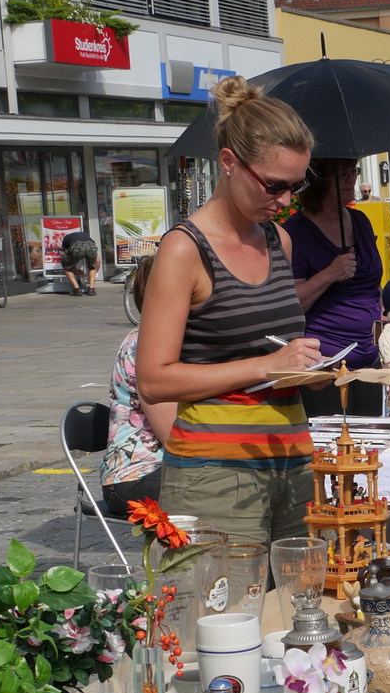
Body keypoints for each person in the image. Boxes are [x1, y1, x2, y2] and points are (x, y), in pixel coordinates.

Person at [137, 76, 324, 542]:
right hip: (216, 470)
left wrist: (304, 370)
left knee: (300, 606)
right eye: (274, 185)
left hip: (291, 456)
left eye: (295, 187)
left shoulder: (277, 240)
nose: (284, 201)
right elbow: (154, 379)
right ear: (229, 164)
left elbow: (269, 359)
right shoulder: (185, 250)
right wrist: (265, 364)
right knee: (221, 609)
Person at [288, 158, 385, 417]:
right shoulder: (295, 232)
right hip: (323, 366)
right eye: (341, 172)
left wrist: (383, 316)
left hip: (369, 359)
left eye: (352, 170)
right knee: (330, 449)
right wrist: (329, 274)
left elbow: (373, 283)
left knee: (371, 445)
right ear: (318, 179)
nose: (350, 178)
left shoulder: (360, 221)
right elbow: (290, 305)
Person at [103, 256, 176, 518]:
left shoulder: (172, 339)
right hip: (134, 476)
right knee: (231, 485)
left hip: (166, 466)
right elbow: (173, 435)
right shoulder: (146, 344)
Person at [60, 229, 100, 296]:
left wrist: (78, 276)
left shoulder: (66, 239)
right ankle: (91, 289)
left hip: (76, 246)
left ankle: (76, 289)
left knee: (67, 267)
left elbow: (71, 263)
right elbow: (98, 261)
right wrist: (96, 272)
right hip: (91, 246)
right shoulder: (88, 237)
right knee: (92, 267)